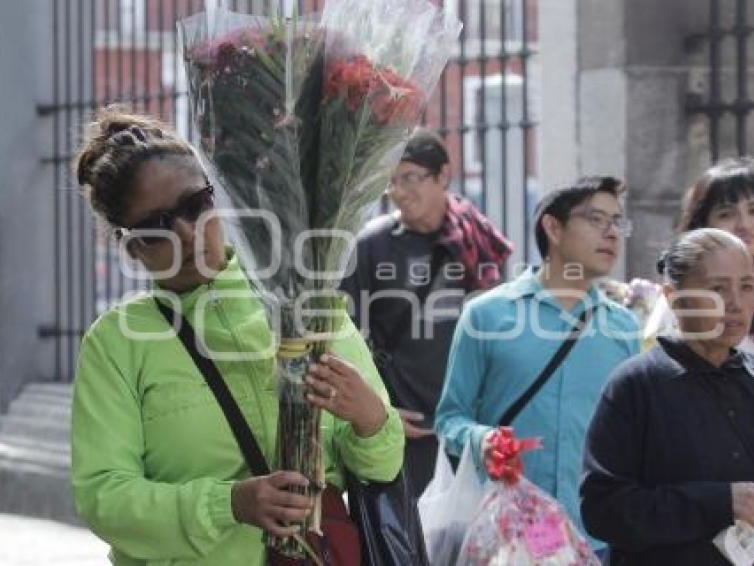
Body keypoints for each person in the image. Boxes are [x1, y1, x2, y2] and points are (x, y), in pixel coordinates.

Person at [70, 108, 404, 566]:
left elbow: (381, 466)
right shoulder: (117, 344)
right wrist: (230, 503)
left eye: (195, 205)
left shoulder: (302, 300)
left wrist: (369, 418)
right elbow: (104, 497)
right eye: (158, 226)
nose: (188, 233)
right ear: (131, 246)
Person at [580, 228, 754, 565]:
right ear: (674, 299)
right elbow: (603, 510)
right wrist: (719, 503)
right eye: (717, 289)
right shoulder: (636, 386)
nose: (736, 303)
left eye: (747, 286)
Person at [435, 176, 640, 554]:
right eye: (597, 219)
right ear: (553, 227)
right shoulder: (487, 316)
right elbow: (449, 420)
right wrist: (482, 441)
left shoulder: (624, 328)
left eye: (618, 222)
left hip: (596, 541)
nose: (612, 233)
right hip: (506, 537)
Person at [340, 128, 513, 496]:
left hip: (467, 425)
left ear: (443, 176)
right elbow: (346, 336)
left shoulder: (477, 240)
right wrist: (380, 412)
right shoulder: (372, 246)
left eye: (410, 178)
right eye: (391, 181)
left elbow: (499, 334)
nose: (399, 191)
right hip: (406, 428)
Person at [645, 157, 754, 398]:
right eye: (726, 214)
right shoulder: (684, 294)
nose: (744, 224)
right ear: (702, 224)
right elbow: (655, 370)